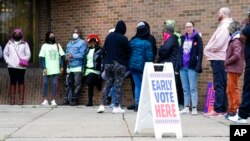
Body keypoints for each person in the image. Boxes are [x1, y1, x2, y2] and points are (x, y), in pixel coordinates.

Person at [204, 7, 233, 117]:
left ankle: (218, 110)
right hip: (220, 58)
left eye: (219, 12)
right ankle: (223, 109)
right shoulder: (226, 25)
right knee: (223, 84)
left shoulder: (225, 26)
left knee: (219, 84)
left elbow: (219, 43)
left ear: (224, 14)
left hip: (218, 58)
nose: (217, 14)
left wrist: (208, 49)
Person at [97, 20, 130, 114]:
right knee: (118, 85)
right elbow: (129, 50)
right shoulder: (123, 38)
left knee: (108, 84)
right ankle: (116, 106)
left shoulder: (109, 36)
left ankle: (101, 106)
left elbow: (104, 49)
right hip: (119, 64)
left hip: (108, 63)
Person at [178, 21, 203, 115]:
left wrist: (198, 65)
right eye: (186, 27)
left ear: (193, 27)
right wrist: (178, 65)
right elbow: (179, 53)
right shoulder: (182, 38)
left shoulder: (197, 38)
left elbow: (200, 53)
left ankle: (194, 108)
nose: (188, 28)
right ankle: (186, 107)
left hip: (192, 66)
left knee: (193, 88)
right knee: (185, 88)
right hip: (183, 67)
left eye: (190, 26)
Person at [129, 22, 154, 112]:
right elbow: (149, 57)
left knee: (137, 85)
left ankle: (137, 104)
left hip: (133, 67)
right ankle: (145, 105)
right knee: (145, 86)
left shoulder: (132, 41)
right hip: (143, 67)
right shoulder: (147, 43)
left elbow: (129, 53)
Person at [228, 24, 250, 124]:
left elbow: (236, 54)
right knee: (231, 89)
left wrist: (226, 62)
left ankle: (237, 111)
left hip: (234, 68)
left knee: (234, 88)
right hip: (236, 67)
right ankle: (235, 110)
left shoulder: (236, 40)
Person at [3, 28, 31, 105]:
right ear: (13, 35)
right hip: (11, 66)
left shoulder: (25, 43)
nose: (17, 35)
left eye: (19, 34)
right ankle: (13, 99)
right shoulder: (9, 43)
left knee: (21, 82)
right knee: (12, 82)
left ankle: (21, 100)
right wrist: (8, 61)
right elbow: (5, 53)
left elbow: (28, 54)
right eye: (15, 33)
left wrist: (23, 60)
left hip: (21, 67)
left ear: (21, 35)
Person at [39, 31, 65, 106]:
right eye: (51, 36)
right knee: (45, 83)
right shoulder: (44, 46)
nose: (53, 37)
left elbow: (62, 56)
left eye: (54, 36)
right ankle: (45, 100)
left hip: (55, 68)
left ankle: (54, 100)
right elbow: (42, 57)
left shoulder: (57, 45)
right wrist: (43, 68)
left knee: (54, 84)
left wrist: (62, 66)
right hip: (46, 69)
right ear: (47, 37)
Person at [165, 19, 184, 110]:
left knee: (177, 85)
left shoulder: (176, 36)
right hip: (171, 62)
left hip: (175, 63)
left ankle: (180, 103)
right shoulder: (169, 36)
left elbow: (177, 51)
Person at [64, 28, 87, 106]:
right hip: (70, 67)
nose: (75, 33)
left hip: (78, 67)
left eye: (76, 32)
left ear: (79, 34)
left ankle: (74, 99)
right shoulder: (69, 44)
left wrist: (72, 55)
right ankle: (68, 99)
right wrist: (66, 57)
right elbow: (66, 53)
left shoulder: (82, 43)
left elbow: (82, 55)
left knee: (77, 84)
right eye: (74, 32)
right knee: (69, 84)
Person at [83, 34, 102, 106]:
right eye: (91, 41)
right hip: (87, 70)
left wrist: (101, 70)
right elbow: (84, 60)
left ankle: (97, 82)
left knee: (89, 82)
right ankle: (90, 101)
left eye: (94, 41)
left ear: (96, 42)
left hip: (95, 70)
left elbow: (101, 61)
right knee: (89, 85)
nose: (92, 43)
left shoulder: (99, 50)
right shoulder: (87, 50)